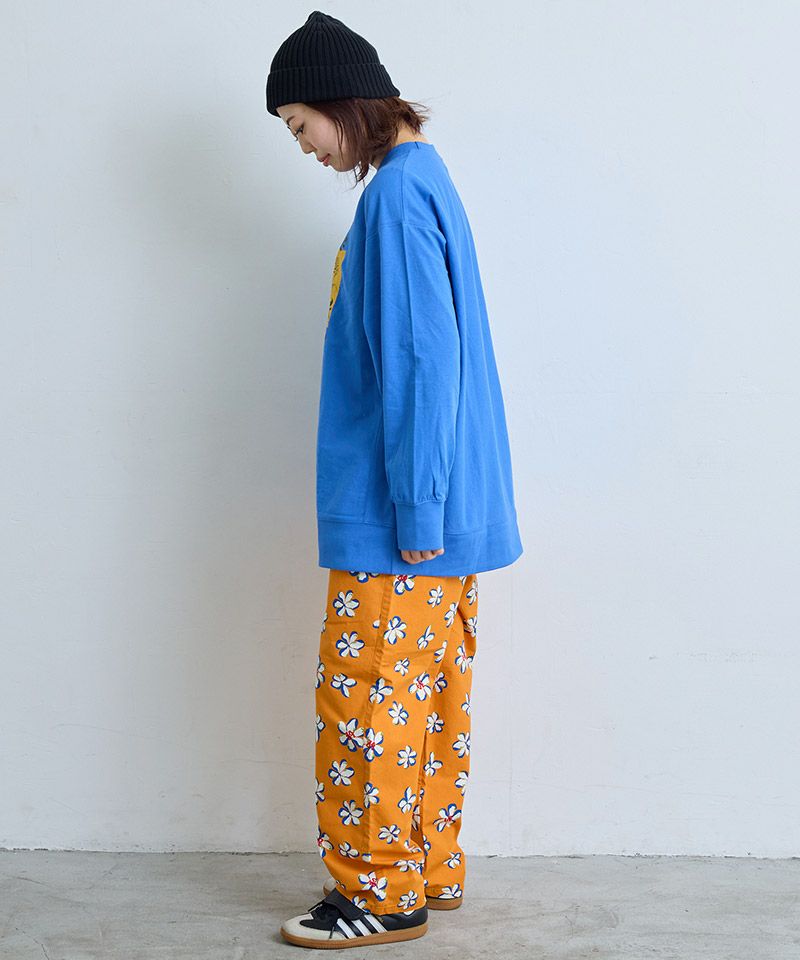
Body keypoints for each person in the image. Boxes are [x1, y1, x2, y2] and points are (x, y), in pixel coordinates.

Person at [266, 10, 523, 949]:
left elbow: (420, 361)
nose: (304, 146)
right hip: (441, 510)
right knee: (424, 699)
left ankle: (377, 889)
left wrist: (415, 506)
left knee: (368, 701)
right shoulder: (426, 181)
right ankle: (426, 866)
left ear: (341, 103)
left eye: (301, 124)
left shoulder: (396, 199)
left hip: (401, 515)